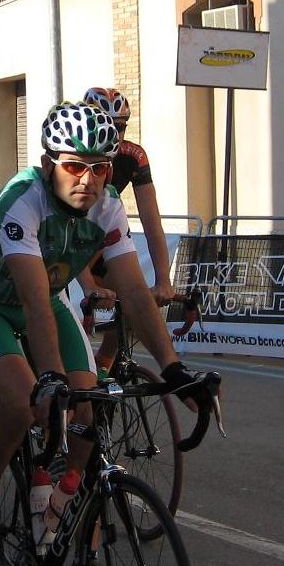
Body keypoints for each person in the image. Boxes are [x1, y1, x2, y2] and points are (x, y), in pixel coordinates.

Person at [0, 102, 211, 566]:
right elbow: (32, 303)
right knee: (23, 404)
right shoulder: (22, 201)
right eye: (74, 166)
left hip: (46, 299)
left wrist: (175, 369)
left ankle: (83, 552)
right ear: (48, 164)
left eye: (100, 168)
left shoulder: (107, 208)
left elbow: (134, 295)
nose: (87, 180)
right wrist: (50, 379)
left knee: (89, 416)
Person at [80, 87, 174, 378]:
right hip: (66, 244)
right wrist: (88, 286)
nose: (115, 133)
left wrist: (163, 279)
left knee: (132, 302)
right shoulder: (78, 155)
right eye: (106, 124)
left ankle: (104, 366)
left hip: (100, 240)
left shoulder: (133, 156)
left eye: (120, 126)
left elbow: (152, 221)